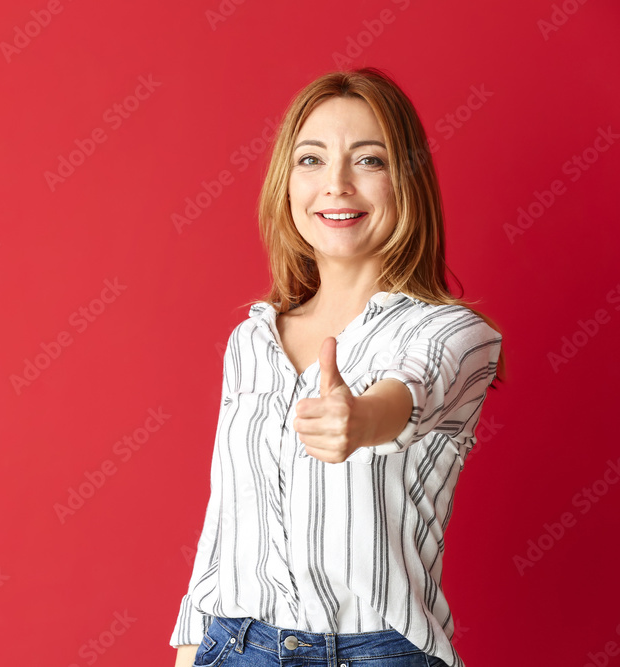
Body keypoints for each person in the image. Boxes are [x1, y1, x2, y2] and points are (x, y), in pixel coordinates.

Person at [170, 67, 505, 667]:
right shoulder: (250, 341)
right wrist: (190, 653)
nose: (338, 185)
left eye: (370, 161)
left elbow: (407, 393)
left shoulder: (457, 335)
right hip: (233, 648)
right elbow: (222, 532)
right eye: (312, 160)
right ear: (285, 182)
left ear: (408, 182)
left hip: (377, 654)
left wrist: (359, 419)